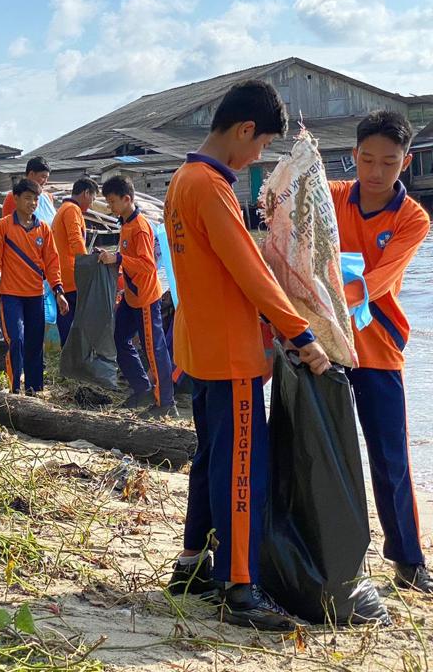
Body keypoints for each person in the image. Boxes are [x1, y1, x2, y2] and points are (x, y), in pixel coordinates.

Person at [163, 80, 331, 630]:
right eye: (260, 146)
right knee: (241, 469)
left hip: (199, 346)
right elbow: (250, 271)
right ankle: (241, 587)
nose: (258, 157)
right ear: (243, 131)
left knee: (210, 458)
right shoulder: (211, 187)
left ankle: (191, 563)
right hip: (231, 357)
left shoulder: (181, 181)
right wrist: (301, 334)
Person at [330, 110, 432, 593]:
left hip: (377, 349)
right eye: (366, 159)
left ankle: (408, 560)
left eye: (388, 163)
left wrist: (328, 302)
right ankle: (324, 548)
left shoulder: (413, 218)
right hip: (324, 347)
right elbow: (285, 216)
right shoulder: (330, 196)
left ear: (406, 163)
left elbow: (382, 279)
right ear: (353, 157)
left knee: (390, 457)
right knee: (321, 450)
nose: (374, 172)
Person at [98, 175, 177, 419]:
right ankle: (142, 387)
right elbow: (129, 258)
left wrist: (118, 259)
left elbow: (147, 265)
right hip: (131, 298)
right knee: (119, 338)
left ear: (126, 199)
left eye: (112, 202)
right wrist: (112, 256)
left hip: (145, 298)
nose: (109, 207)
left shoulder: (140, 227)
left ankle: (166, 402)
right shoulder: (125, 224)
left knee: (154, 349)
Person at [0, 178, 69, 394]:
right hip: (11, 294)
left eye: (36, 199)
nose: (32, 203)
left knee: (34, 342)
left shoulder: (43, 229)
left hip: (35, 295)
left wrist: (59, 291)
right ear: (16, 199)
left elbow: (52, 262)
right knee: (16, 339)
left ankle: (34, 389)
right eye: (28, 198)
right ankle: (14, 389)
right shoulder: (3, 226)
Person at [51, 176, 97, 347]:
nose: (91, 204)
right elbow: (75, 239)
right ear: (86, 193)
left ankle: (69, 361)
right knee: (80, 320)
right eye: (92, 198)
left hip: (61, 275)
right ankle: (78, 359)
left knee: (65, 318)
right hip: (73, 275)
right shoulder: (72, 210)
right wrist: (88, 265)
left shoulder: (62, 209)